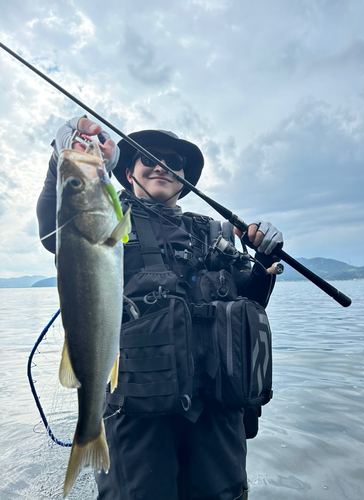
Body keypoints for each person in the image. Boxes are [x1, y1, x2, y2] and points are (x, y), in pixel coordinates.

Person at [37, 116, 283, 500]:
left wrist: (264, 258)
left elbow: (246, 304)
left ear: (185, 180)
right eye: (149, 158)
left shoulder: (213, 234)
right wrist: (65, 157)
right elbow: (59, 227)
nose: (161, 165)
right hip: (138, 411)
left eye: (174, 161)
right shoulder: (108, 217)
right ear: (128, 171)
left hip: (216, 411)